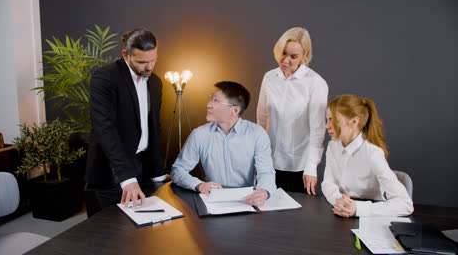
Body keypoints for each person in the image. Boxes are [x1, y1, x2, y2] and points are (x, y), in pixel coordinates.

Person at [85, 28, 167, 212]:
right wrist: (127, 177)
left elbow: (154, 128)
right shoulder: (104, 78)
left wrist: (158, 172)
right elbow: (104, 129)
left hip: (142, 167)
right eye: (142, 62)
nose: (149, 67)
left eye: (153, 60)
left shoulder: (155, 82)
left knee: (140, 234)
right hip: (112, 169)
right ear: (126, 55)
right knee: (107, 232)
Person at [171, 81, 276, 207]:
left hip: (247, 201)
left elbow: (266, 172)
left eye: (216, 101)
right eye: (211, 99)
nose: (209, 105)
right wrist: (199, 185)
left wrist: (263, 192)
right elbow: (178, 170)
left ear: (235, 110)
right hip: (212, 201)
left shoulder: (257, 134)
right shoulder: (199, 134)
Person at [257, 27, 328, 195]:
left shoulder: (316, 83)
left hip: (300, 165)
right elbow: (261, 120)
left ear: (304, 56)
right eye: (283, 53)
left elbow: (317, 132)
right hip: (269, 162)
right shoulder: (269, 77)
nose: (286, 60)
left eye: (293, 56)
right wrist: (259, 159)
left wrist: (311, 168)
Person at [321, 94, 414, 217]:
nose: (327, 126)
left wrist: (358, 208)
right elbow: (328, 183)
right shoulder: (333, 146)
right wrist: (339, 201)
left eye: (333, 120)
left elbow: (405, 204)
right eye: (327, 120)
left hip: (368, 217)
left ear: (354, 121)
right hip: (340, 213)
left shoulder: (373, 153)